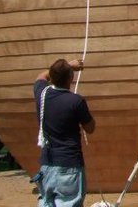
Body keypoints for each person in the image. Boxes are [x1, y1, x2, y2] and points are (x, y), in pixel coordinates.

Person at [33, 59, 95, 207]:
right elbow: (90, 128)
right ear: (71, 78)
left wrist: (68, 65)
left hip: (47, 165)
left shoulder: (42, 94)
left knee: (46, 203)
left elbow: (41, 76)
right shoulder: (76, 101)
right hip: (69, 164)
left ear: (52, 77)